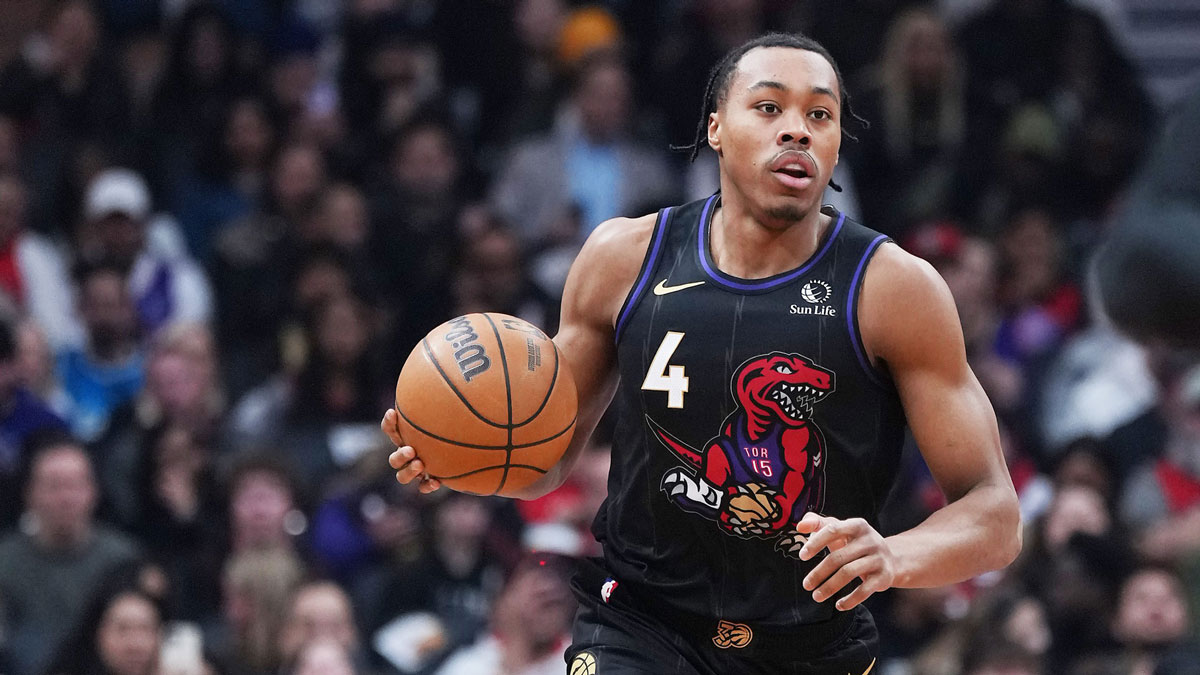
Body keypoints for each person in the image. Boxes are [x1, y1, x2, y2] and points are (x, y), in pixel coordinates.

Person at [384, 32, 1021, 674]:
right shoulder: (622, 259)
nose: (797, 130)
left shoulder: (894, 289)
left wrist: (893, 556)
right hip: (641, 625)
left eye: (820, 114)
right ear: (716, 128)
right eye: (769, 107)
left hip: (808, 646)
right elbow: (543, 462)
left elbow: (995, 514)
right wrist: (463, 455)